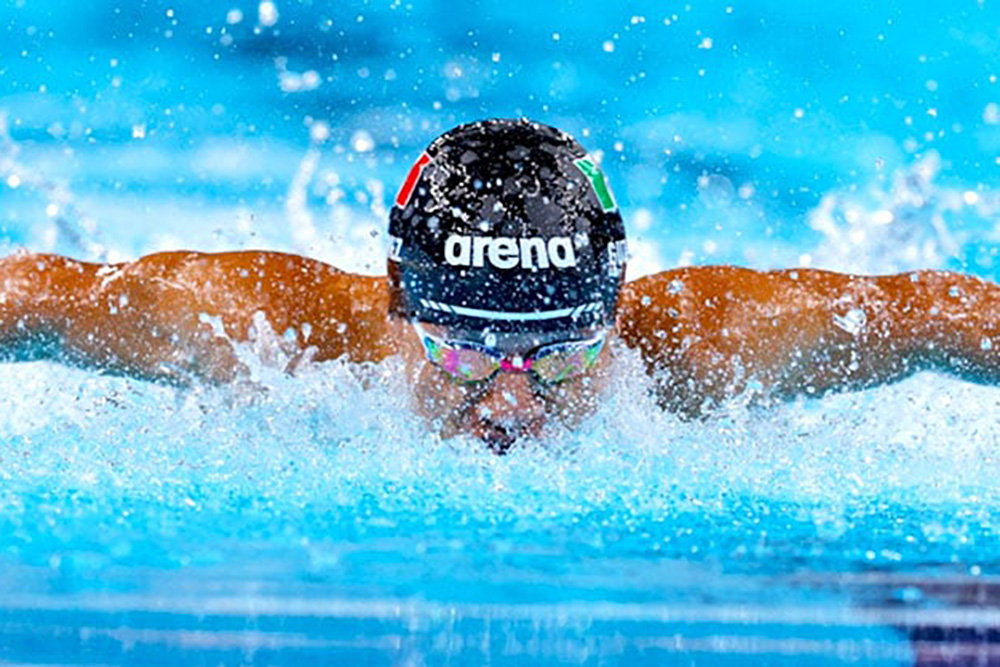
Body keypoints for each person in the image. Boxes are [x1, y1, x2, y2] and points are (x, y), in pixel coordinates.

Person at [0, 118, 998, 452]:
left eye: (559, 352)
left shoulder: (699, 347)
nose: (513, 402)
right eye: (467, 350)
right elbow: (34, 294)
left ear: (612, 307)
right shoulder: (267, 333)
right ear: (401, 301)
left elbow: (935, 315)